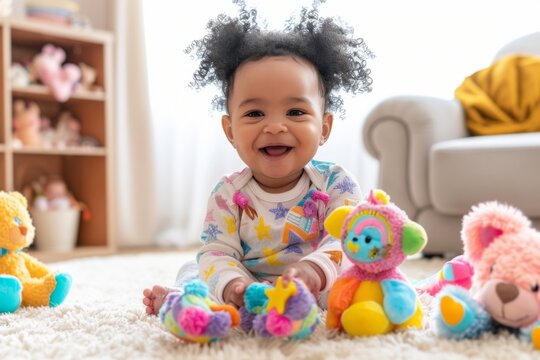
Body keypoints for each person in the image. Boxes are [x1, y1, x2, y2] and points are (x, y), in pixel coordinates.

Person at [143, 0, 374, 315]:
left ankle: (284, 303)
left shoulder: (336, 183)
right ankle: (189, 299)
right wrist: (236, 285)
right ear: (230, 131)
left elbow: (345, 241)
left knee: (359, 283)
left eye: (295, 111)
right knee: (196, 268)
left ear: (324, 127)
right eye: (254, 112)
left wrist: (314, 271)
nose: (276, 126)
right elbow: (218, 251)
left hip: (315, 286)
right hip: (249, 286)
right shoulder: (228, 193)